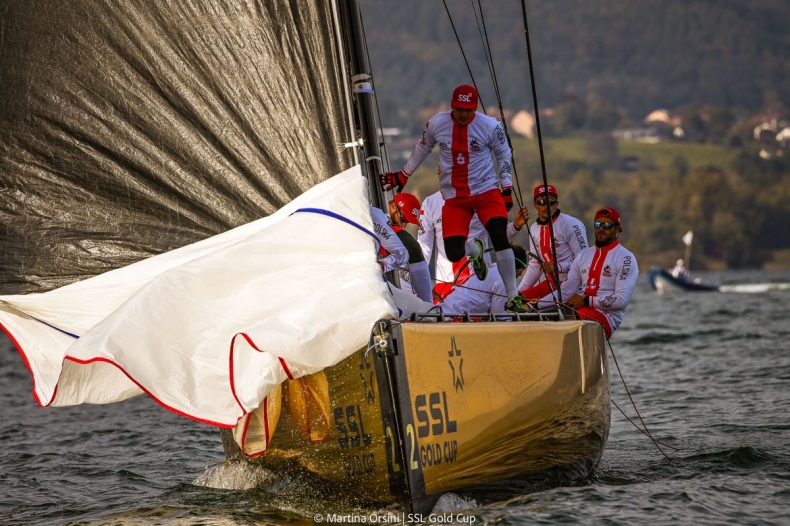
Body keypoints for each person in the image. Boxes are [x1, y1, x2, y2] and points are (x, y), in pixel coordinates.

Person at [382, 84, 527, 313]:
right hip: (455, 198)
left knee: (498, 234)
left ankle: (513, 295)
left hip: (485, 191)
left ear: (475, 108)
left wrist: (506, 187)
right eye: (459, 109)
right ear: (452, 106)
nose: (463, 114)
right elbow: (422, 147)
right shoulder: (437, 123)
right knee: (454, 252)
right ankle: (475, 251)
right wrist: (404, 174)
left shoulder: (490, 126)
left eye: (468, 110)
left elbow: (504, 152)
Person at [536, 207, 638, 339]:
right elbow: (566, 291)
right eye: (597, 225)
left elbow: (621, 301)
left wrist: (585, 300)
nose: (601, 228)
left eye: (607, 225)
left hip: (607, 316)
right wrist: (534, 306)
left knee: (565, 317)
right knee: (538, 317)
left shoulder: (626, 258)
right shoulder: (583, 256)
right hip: (579, 309)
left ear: (617, 229)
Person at [517, 184, 588, 301]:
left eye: (551, 202)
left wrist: (558, 267)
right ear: (535, 205)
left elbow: (585, 262)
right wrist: (518, 292)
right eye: (541, 202)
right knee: (516, 301)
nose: (546, 206)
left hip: (572, 284)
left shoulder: (572, 225)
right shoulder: (534, 228)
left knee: (527, 304)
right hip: (551, 283)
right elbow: (535, 265)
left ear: (557, 204)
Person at [440, 243, 528, 315]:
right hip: (453, 316)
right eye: (523, 270)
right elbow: (499, 317)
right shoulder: (503, 279)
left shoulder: (493, 268)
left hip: (445, 309)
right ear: (517, 267)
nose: (521, 275)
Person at [388, 193, 434, 303]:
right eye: (403, 220)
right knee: (413, 247)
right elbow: (413, 247)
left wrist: (422, 287)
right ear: (394, 207)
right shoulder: (381, 219)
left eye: (407, 222)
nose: (403, 225)